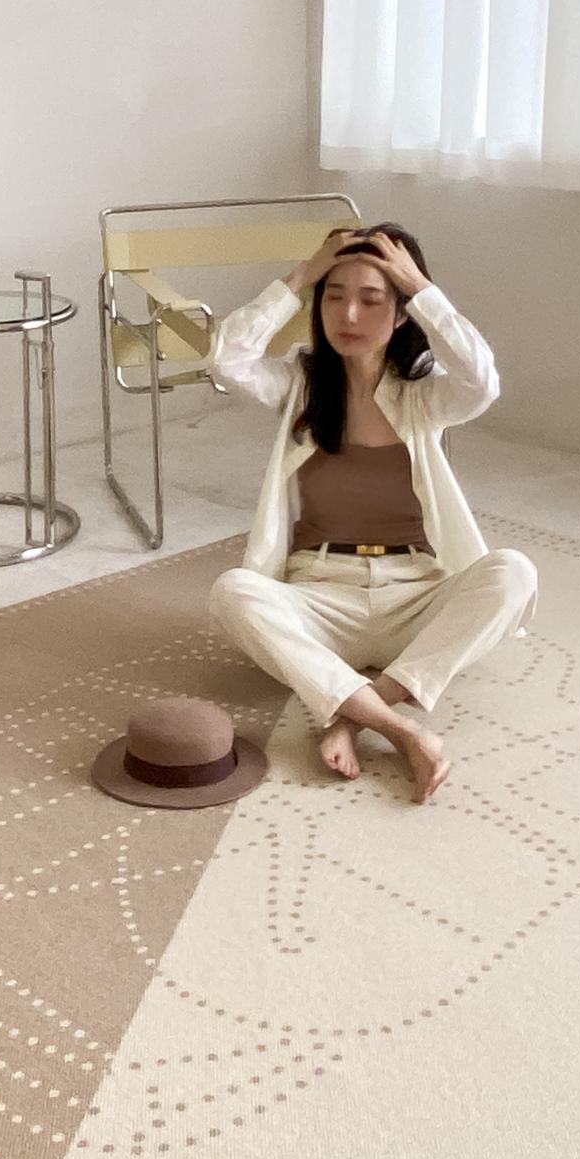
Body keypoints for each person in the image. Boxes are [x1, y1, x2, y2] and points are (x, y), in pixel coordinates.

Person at [207, 223, 536, 803]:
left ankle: (355, 713)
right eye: (334, 296)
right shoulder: (299, 385)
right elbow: (227, 360)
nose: (349, 315)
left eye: (372, 299)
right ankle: (400, 728)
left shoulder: (424, 393)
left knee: (514, 572)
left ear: (403, 313)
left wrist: (421, 288)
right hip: (320, 596)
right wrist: (300, 277)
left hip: (414, 594)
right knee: (233, 592)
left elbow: (482, 381)